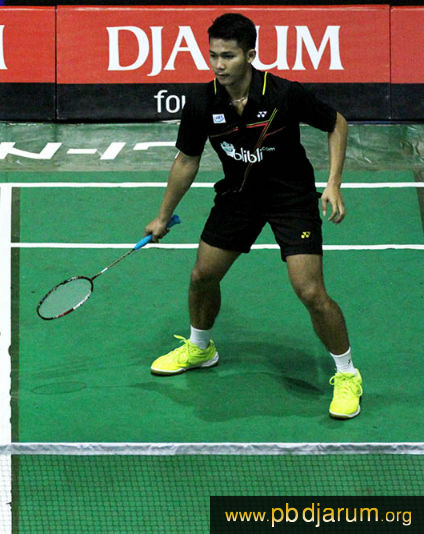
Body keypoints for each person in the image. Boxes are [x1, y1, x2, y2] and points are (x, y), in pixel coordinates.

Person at [144, 13, 363, 419]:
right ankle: (200, 348)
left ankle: (347, 373)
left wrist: (333, 183)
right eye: (213, 55)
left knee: (310, 291)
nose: (218, 65)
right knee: (202, 276)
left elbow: (336, 124)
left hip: (290, 198)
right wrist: (163, 216)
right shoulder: (202, 102)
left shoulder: (283, 94)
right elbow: (187, 160)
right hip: (238, 197)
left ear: (250, 55)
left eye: (228, 56)